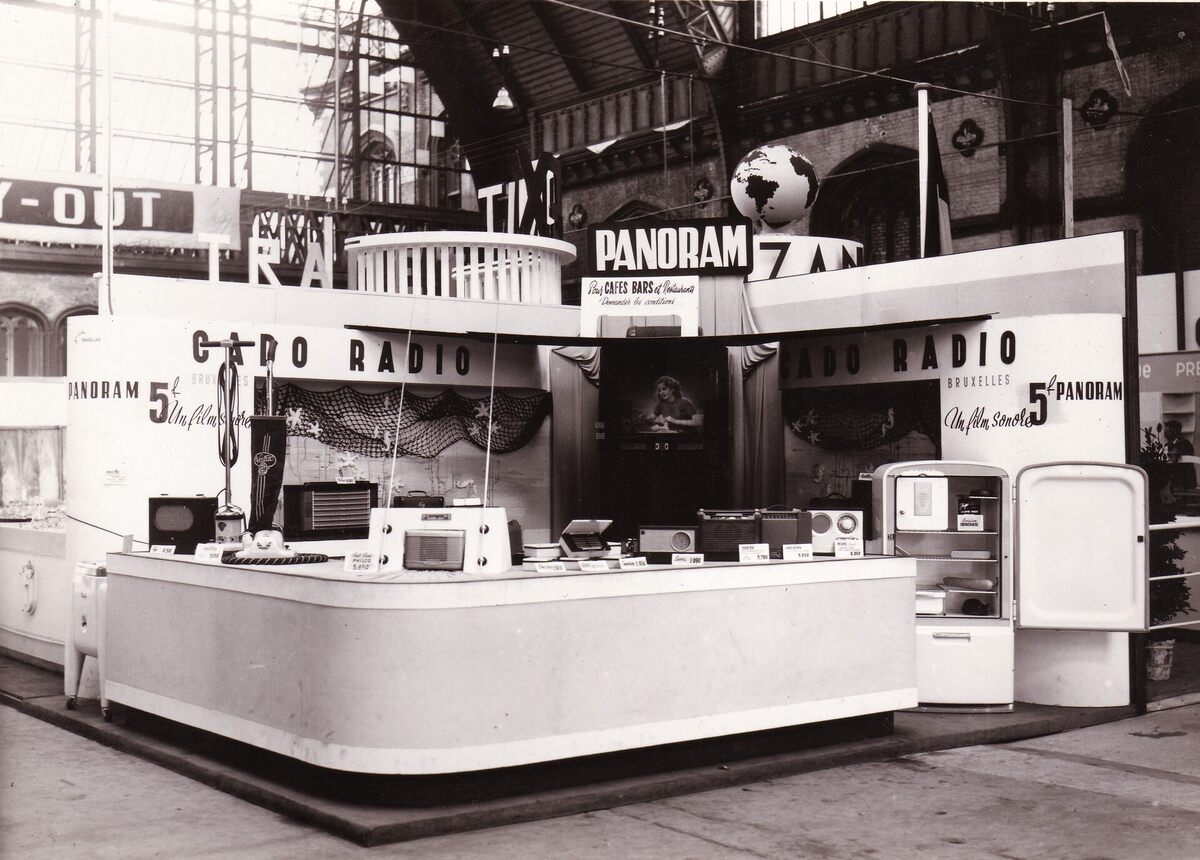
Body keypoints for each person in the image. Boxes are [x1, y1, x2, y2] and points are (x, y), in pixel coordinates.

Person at [1164, 419, 1197, 491]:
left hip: (1184, 482)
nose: (1165, 434)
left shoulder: (1184, 443)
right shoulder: (1168, 444)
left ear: (1174, 431)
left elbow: (1176, 460)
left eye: (1167, 432)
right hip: (1175, 481)